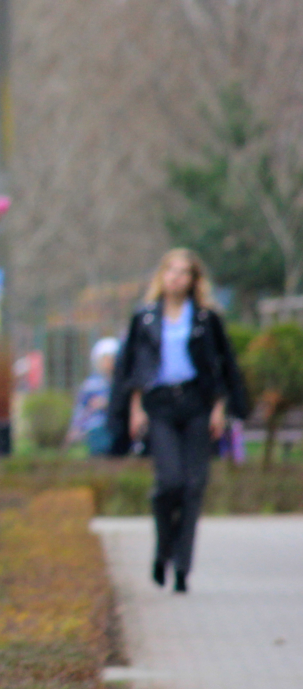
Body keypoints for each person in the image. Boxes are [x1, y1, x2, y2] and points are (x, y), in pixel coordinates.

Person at [111, 249, 249, 593]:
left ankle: (183, 567)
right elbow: (132, 367)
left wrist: (220, 407)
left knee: (193, 487)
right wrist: (134, 408)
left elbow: (221, 365)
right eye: (171, 271)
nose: (176, 278)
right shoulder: (144, 317)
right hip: (158, 405)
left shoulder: (205, 318)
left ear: (193, 280)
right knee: (170, 482)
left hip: (197, 404)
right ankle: (163, 551)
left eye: (184, 272)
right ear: (162, 275)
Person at [68, 337, 120, 455]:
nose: (109, 363)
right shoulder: (91, 385)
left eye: (112, 359)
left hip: (117, 427)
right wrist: (76, 428)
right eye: (106, 359)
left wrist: (108, 403)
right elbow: (82, 408)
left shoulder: (122, 384)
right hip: (97, 427)